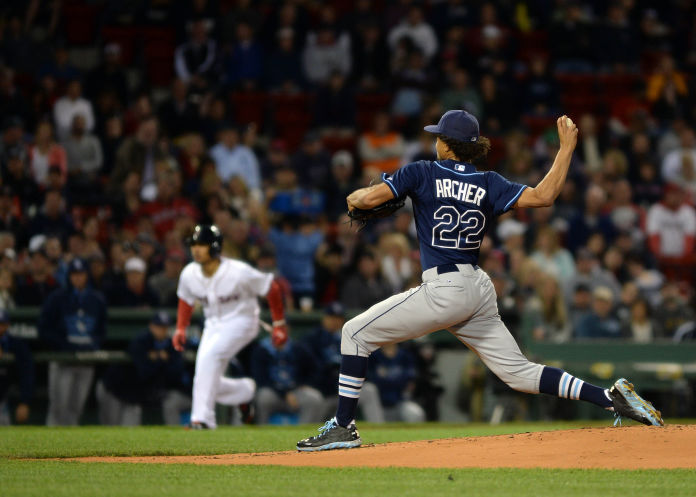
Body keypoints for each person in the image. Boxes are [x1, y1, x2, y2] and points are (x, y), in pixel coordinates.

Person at [297, 111, 663, 452]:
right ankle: (609, 397)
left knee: (354, 334)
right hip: (478, 287)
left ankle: (343, 426)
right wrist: (566, 148)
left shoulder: (423, 171)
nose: (435, 140)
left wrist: (355, 197)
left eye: (438, 136)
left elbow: (369, 198)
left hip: (445, 289)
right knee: (518, 373)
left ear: (446, 143)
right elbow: (545, 195)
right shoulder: (488, 181)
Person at [172, 224, 288, 429]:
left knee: (209, 358)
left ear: (215, 247)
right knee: (204, 376)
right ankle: (244, 391)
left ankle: (202, 420)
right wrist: (181, 328)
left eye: (202, 245)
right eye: (194, 245)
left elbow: (272, 287)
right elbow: (186, 300)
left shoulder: (238, 271)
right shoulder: (189, 273)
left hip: (242, 321)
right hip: (213, 324)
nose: (196, 249)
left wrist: (279, 323)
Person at [39, 258, 107, 426]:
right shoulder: (57, 298)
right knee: (58, 408)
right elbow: (44, 329)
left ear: (87, 276)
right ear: (69, 276)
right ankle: (51, 448)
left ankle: (69, 450)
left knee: (76, 409)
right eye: (74, 274)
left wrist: (93, 344)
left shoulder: (96, 299)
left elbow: (101, 330)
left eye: (81, 274)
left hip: (86, 360)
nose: (77, 278)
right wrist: (64, 345)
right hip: (63, 360)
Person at [97, 311, 190, 426]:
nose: (162, 330)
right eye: (159, 326)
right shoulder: (141, 341)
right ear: (151, 326)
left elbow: (176, 371)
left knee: (128, 430)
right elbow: (145, 372)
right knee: (110, 428)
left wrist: (156, 358)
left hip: (134, 394)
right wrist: (161, 359)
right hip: (113, 389)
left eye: (165, 327)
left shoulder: (170, 345)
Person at [251, 335, 323, 425]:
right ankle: (261, 429)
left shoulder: (297, 347)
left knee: (314, 398)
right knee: (263, 397)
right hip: (273, 393)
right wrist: (285, 393)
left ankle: (306, 433)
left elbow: (315, 369)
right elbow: (261, 378)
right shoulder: (262, 349)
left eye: (283, 327)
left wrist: (305, 384)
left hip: (296, 392)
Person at [0, 309, 34, 425]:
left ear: (8, 325)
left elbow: (27, 373)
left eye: (2, 324)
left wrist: (24, 402)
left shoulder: (16, 344)